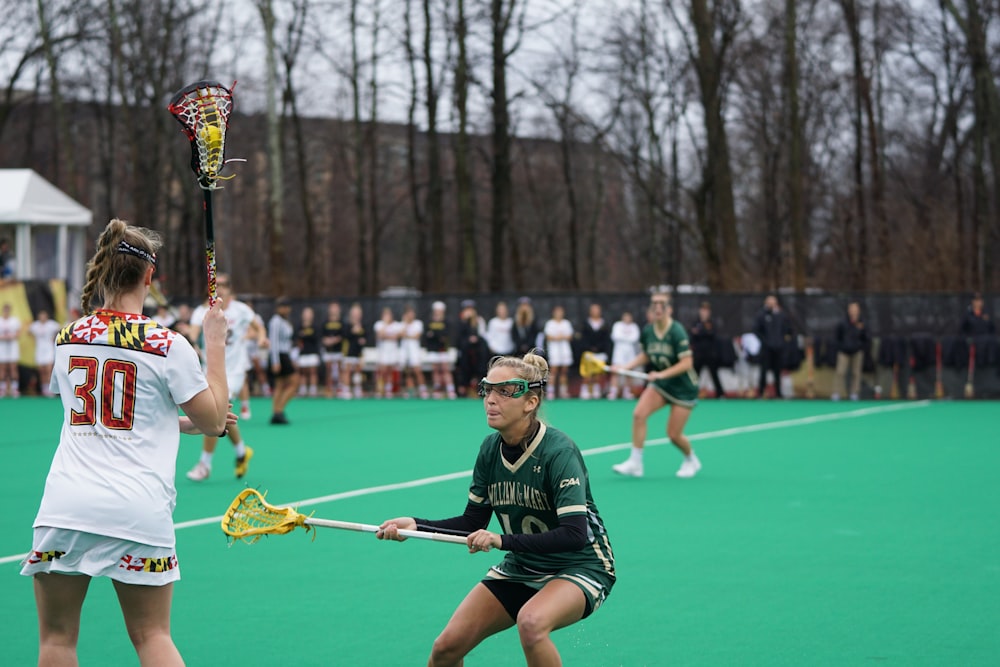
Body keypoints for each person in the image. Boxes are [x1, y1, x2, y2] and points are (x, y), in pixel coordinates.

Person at [20, 218, 230, 666]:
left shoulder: (67, 337)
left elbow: (101, 418)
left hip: (65, 506)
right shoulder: (167, 344)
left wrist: (175, 425)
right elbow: (215, 421)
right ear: (149, 277)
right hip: (137, 510)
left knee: (57, 641)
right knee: (152, 636)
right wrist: (215, 345)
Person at [376, 350, 615, 667]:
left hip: (580, 565)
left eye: (503, 392)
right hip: (523, 565)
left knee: (531, 623)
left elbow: (573, 535)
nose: (491, 399)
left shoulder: (559, 451)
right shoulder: (489, 449)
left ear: (530, 403)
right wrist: (416, 526)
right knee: (447, 647)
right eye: (487, 390)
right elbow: (471, 521)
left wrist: (501, 541)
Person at [185, 274, 267, 481]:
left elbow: (259, 328)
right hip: (209, 370)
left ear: (230, 290)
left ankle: (204, 464)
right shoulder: (202, 312)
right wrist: (192, 342)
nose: (218, 289)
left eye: (222, 286)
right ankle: (241, 452)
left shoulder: (242, 310)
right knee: (222, 415)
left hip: (235, 371)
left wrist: (262, 338)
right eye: (215, 286)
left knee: (215, 410)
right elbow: (193, 333)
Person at [611, 290, 702, 478]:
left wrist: (661, 374)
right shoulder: (648, 331)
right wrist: (625, 367)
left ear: (669, 309)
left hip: (684, 388)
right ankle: (636, 463)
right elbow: (647, 354)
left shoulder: (677, 331)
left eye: (661, 305)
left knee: (674, 435)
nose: (657, 308)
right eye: (654, 305)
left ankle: (691, 459)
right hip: (662, 385)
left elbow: (687, 363)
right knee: (638, 414)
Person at [753, 294, 793, 399]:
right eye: (770, 302)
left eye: (773, 302)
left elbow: (787, 329)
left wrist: (782, 341)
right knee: (764, 371)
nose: (772, 304)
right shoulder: (761, 315)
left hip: (778, 348)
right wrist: (765, 341)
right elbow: (756, 330)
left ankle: (778, 393)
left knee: (777, 371)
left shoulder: (781, 315)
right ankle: (761, 392)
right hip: (766, 348)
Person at [268, 297, 298, 423]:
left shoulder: (285, 321)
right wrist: (275, 361)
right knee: (294, 382)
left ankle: (276, 413)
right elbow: (273, 341)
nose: (285, 309)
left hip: (285, 355)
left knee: (280, 385)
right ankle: (279, 410)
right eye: (282, 306)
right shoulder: (276, 321)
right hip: (279, 355)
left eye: (287, 306)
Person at [832, 301, 868, 401]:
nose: (853, 311)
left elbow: (866, 337)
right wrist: (841, 347)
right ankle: (836, 393)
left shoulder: (862, 323)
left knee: (856, 373)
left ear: (858, 311)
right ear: (848, 310)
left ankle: (854, 393)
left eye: (855, 309)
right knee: (840, 372)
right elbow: (837, 337)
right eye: (851, 309)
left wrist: (860, 346)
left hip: (857, 351)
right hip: (844, 351)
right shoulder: (842, 322)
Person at [689, 301, 725, 399]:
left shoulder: (712, 322)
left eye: (706, 310)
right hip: (698, 354)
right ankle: (691, 394)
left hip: (710, 354)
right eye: (703, 310)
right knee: (695, 376)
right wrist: (703, 333)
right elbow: (692, 336)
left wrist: (700, 332)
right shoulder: (695, 322)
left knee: (714, 374)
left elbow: (712, 334)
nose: (704, 312)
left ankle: (720, 393)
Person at [577, 302, 611, 399]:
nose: (595, 311)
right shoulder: (585, 324)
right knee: (587, 372)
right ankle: (585, 390)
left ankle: (596, 390)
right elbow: (583, 338)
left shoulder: (604, 324)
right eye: (593, 310)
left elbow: (606, 339)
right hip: (588, 352)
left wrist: (602, 350)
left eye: (597, 309)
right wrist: (588, 348)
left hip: (600, 352)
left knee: (597, 372)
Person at [456, 299, 489, 397]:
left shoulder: (479, 321)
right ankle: (463, 390)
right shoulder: (461, 322)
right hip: (466, 351)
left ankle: (481, 389)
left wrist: (476, 339)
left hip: (477, 351)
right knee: (464, 368)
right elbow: (459, 337)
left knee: (481, 368)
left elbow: (483, 335)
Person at [424, 301, 456, 399]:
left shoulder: (446, 321)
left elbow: (445, 335)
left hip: (443, 349)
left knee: (445, 369)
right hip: (433, 349)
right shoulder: (429, 321)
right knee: (435, 369)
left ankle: (450, 389)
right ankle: (437, 389)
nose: (438, 312)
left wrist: (435, 334)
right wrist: (436, 335)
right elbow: (427, 334)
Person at [608, 310, 641, 400]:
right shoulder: (617, 325)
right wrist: (627, 338)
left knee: (629, 372)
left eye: (629, 317)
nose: (627, 318)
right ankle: (613, 392)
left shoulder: (634, 326)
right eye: (625, 316)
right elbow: (615, 336)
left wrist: (624, 338)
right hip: (619, 352)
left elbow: (635, 338)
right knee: (615, 371)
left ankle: (627, 392)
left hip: (630, 352)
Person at [28, 309, 62, 397]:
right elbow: (29, 332)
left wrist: (54, 338)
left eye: (44, 316)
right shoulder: (35, 325)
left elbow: (60, 330)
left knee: (48, 370)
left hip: (49, 350)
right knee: (41, 371)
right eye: (41, 316)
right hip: (39, 350)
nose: (42, 317)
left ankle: (50, 389)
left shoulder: (51, 324)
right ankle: (44, 389)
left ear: (46, 316)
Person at [398, 304, 429, 398]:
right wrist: (405, 323)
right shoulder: (402, 323)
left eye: (412, 313)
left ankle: (423, 389)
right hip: (405, 351)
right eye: (409, 314)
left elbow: (416, 336)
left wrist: (407, 335)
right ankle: (410, 390)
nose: (411, 315)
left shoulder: (418, 323)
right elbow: (401, 334)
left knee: (417, 370)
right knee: (407, 372)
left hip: (414, 351)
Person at [542, 305, 574, 399]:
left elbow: (570, 336)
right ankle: (551, 392)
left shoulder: (566, 323)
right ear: (554, 313)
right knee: (553, 370)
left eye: (560, 312)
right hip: (554, 350)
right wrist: (558, 337)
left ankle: (563, 391)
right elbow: (548, 336)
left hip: (565, 350)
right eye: (557, 312)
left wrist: (561, 337)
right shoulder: (550, 323)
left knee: (564, 371)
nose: (559, 314)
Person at [340, 302, 368, 398]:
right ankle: (346, 389)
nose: (356, 315)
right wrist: (353, 331)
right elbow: (344, 336)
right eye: (355, 313)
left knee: (358, 371)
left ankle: (357, 389)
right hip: (348, 351)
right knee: (347, 371)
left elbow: (365, 337)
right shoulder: (346, 324)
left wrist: (363, 340)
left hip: (358, 352)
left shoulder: (363, 325)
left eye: (358, 313)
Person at [374, 306, 402, 398]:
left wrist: (388, 336)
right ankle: (379, 389)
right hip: (383, 351)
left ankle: (388, 389)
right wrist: (386, 325)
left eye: (389, 314)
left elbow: (398, 335)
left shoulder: (396, 325)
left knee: (390, 371)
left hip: (392, 351)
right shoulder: (379, 324)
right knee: (382, 371)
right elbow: (381, 335)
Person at [295, 306, 322, 397]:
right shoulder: (299, 327)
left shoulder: (315, 327)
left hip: (313, 352)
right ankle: (303, 389)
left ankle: (313, 389)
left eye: (309, 314)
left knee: (313, 371)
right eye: (305, 314)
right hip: (302, 353)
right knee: (302, 372)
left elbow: (316, 338)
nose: (307, 316)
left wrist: (305, 335)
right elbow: (296, 339)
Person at [321, 301, 344, 398]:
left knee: (340, 370)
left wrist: (335, 340)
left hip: (339, 350)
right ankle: (329, 389)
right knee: (329, 370)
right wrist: (326, 341)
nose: (334, 310)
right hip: (328, 351)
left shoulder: (342, 323)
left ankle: (339, 388)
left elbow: (343, 335)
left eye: (336, 308)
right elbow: (322, 336)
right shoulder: (325, 323)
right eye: (332, 308)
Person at [0, 302, 24, 397]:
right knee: (3, 369)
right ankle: (2, 389)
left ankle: (14, 389)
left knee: (13, 368)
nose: (6, 312)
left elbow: (18, 333)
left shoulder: (14, 321)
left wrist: (11, 336)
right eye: (5, 310)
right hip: (2, 348)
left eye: (7, 310)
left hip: (13, 348)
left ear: (9, 311)